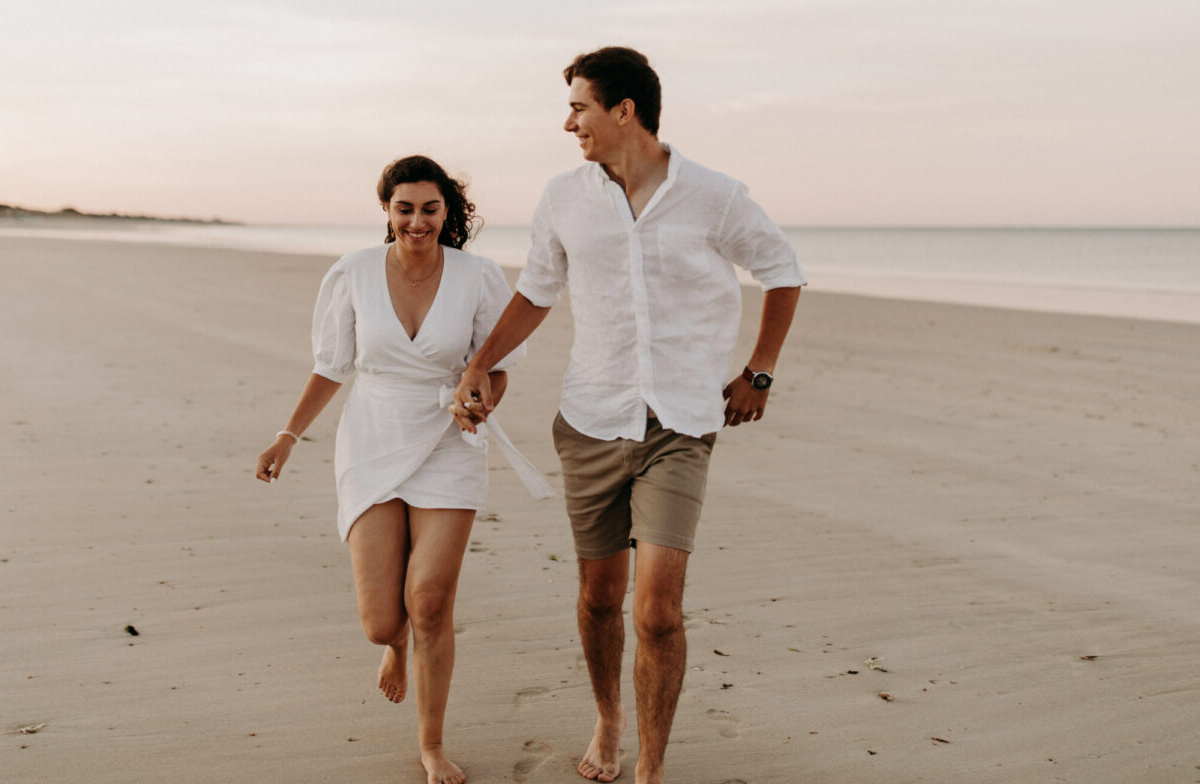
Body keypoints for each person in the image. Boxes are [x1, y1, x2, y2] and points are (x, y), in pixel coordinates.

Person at [453, 48, 805, 784]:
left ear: (624, 111)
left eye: (578, 107)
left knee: (657, 613)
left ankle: (650, 767)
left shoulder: (715, 195)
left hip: (680, 424)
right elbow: (537, 293)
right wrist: (481, 363)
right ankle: (608, 718)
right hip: (589, 418)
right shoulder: (564, 197)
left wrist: (760, 371)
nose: (567, 122)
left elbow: (782, 269)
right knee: (598, 598)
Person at [257, 154, 551, 784]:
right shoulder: (354, 272)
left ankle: (432, 743)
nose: (417, 221)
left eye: (430, 208)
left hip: (450, 437)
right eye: (404, 208)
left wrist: (481, 397)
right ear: (387, 211)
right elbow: (332, 365)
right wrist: (288, 436)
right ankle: (395, 648)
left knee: (431, 601)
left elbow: (496, 365)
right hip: (372, 438)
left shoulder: (477, 276)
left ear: (448, 212)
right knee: (382, 621)